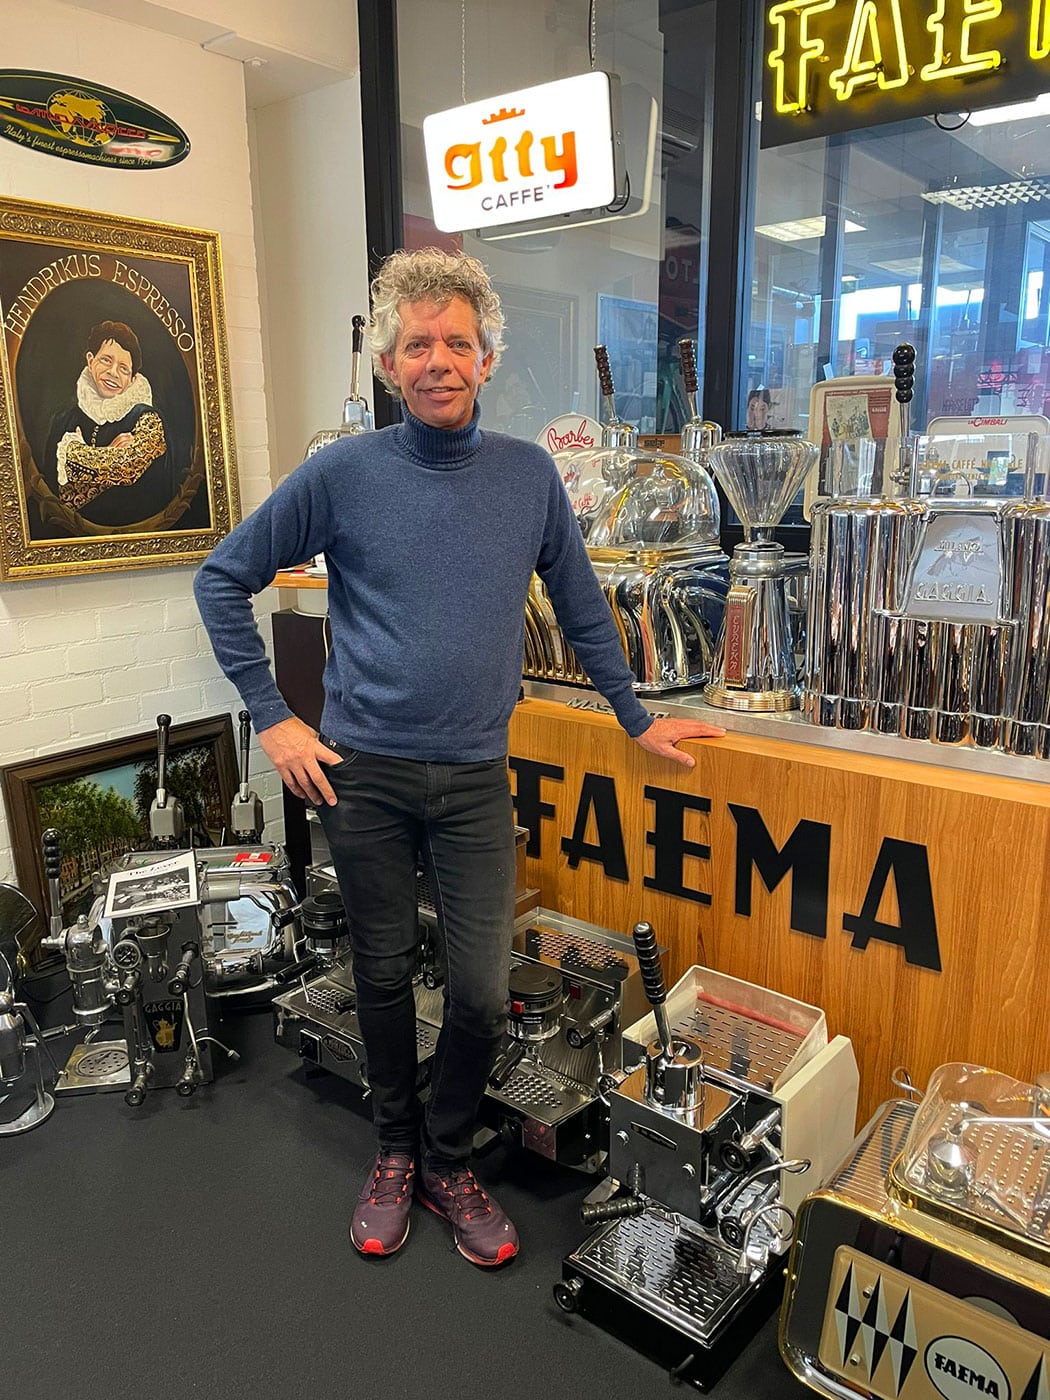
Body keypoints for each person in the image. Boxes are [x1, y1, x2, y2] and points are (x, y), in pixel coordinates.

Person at [193, 247, 724, 1269]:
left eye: (458, 342)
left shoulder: (527, 476)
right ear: (392, 363)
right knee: (384, 973)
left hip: (478, 776)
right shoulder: (341, 474)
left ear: (486, 359)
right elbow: (224, 579)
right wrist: (273, 715)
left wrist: (634, 717)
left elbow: (581, 604)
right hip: (367, 774)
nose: (438, 359)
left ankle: (446, 1156)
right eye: (418, 343)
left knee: (479, 989)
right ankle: (395, 1148)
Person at [41, 320, 172, 528]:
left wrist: (74, 453)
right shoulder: (62, 420)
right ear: (90, 360)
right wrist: (110, 452)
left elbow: (127, 466)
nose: (113, 372)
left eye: (123, 368)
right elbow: (57, 497)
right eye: (106, 360)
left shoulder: (147, 419)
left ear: (132, 378)